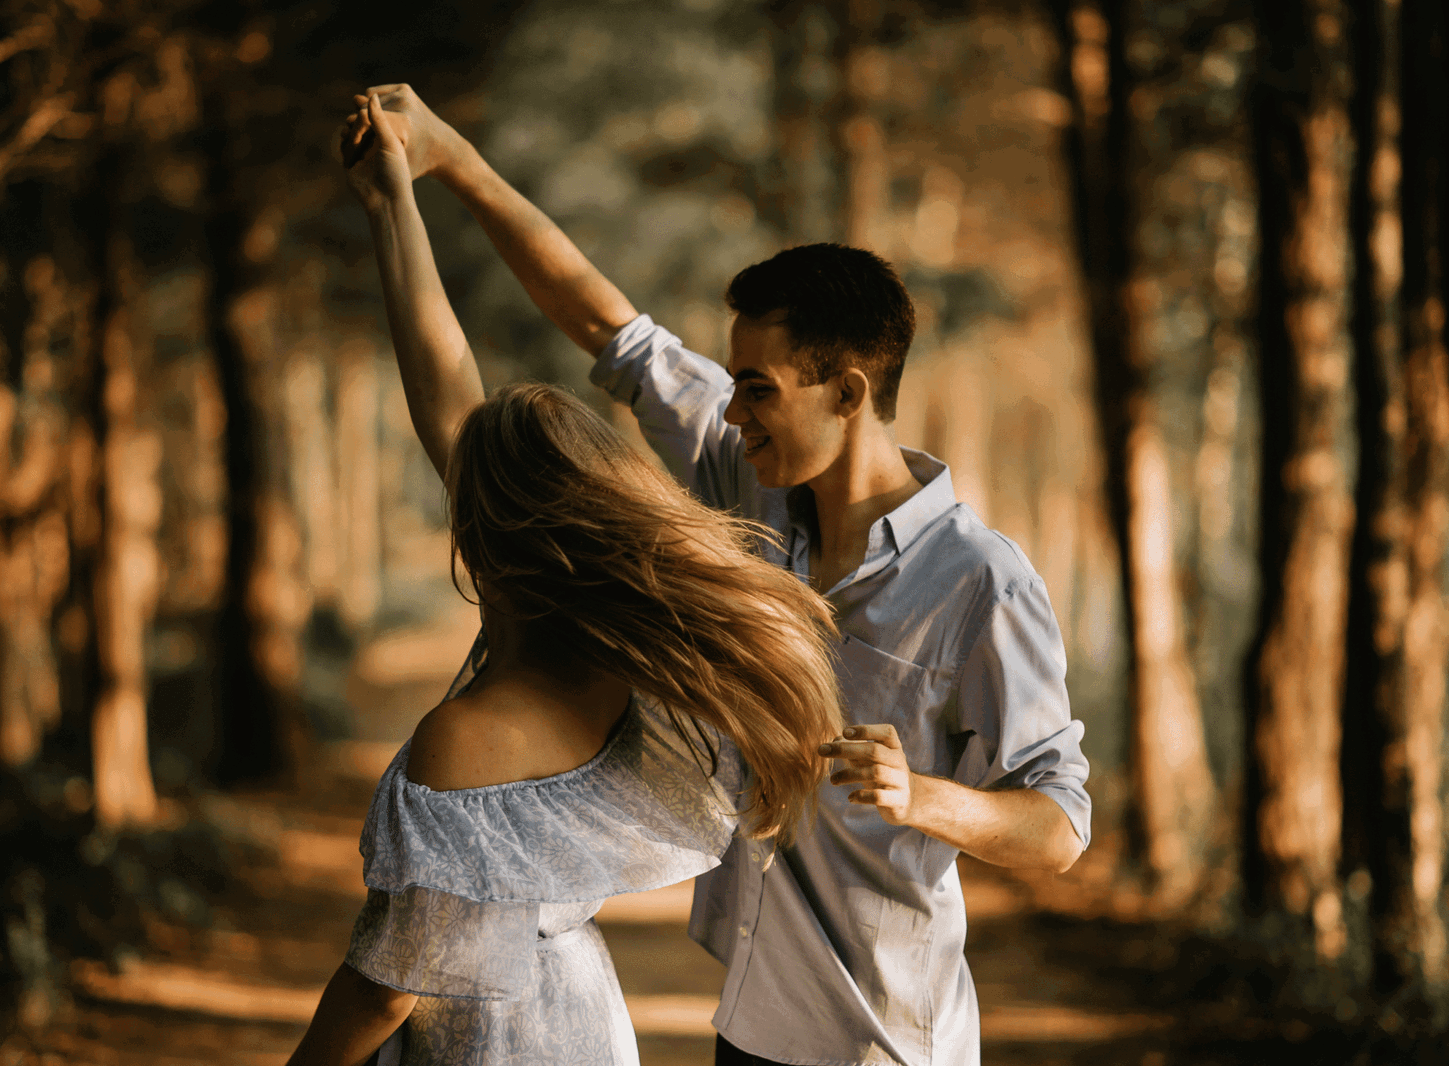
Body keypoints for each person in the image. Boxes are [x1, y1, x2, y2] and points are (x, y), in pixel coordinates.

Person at [363, 83, 1094, 1066]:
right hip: (750, 1021)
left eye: (757, 389)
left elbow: (1059, 829)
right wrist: (447, 165)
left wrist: (918, 796)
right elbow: (603, 326)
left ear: (848, 391)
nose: (731, 411)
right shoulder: (744, 488)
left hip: (882, 1038)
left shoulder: (979, 581)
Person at [283, 92, 846, 1066]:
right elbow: (448, 394)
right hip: (585, 1026)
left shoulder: (466, 738)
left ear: (483, 534)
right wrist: (393, 208)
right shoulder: (648, 688)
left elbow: (389, 982)